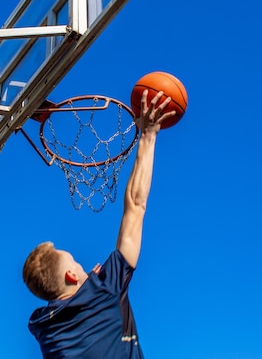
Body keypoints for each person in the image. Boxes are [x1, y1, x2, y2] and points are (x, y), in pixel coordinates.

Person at [23, 89, 174, 358]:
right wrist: (149, 135)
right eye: (75, 262)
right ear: (71, 276)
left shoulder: (45, 331)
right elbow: (135, 206)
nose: (81, 265)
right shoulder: (103, 291)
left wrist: (91, 284)